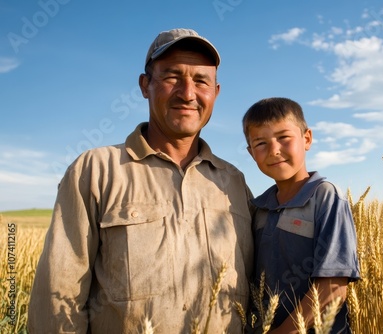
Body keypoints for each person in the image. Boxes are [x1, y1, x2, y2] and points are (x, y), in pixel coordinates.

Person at [28, 28, 254, 333]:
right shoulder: (96, 170)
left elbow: (258, 292)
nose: (187, 93)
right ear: (145, 85)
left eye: (201, 81)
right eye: (172, 77)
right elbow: (58, 299)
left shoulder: (235, 184)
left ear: (215, 91)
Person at [242, 97, 361, 333]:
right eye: (261, 143)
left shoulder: (325, 197)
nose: (274, 150)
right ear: (251, 152)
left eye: (284, 138)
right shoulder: (258, 207)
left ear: (306, 139)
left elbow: (333, 286)